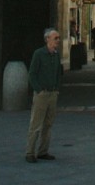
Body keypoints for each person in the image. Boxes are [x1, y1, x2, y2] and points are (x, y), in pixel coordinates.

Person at [26, 27, 62, 163]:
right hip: (42, 94)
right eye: (55, 38)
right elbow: (32, 73)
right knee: (36, 124)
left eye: (58, 38)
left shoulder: (56, 54)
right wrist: (38, 90)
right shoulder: (39, 54)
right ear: (47, 39)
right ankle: (30, 152)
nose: (58, 40)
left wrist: (57, 88)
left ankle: (43, 151)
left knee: (48, 123)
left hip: (53, 93)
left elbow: (59, 72)